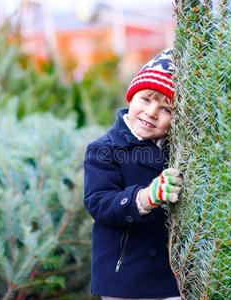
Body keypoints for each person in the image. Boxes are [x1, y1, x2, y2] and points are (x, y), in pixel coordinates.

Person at [83, 48, 183, 300]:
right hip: (124, 278)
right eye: (146, 100)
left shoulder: (179, 150)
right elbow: (99, 202)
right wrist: (145, 198)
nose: (151, 112)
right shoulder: (104, 149)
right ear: (131, 97)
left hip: (168, 278)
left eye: (166, 109)